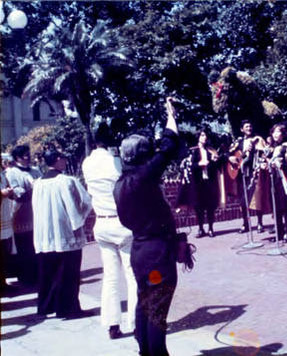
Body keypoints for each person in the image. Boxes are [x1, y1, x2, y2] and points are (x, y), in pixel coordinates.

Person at [114, 97, 182, 356]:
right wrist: (170, 114)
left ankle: (145, 351)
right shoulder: (142, 178)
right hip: (156, 254)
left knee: (146, 303)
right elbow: (169, 144)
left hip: (141, 251)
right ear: (144, 156)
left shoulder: (122, 182)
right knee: (157, 310)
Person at [82, 123, 138, 339]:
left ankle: (112, 324)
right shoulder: (116, 162)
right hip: (121, 223)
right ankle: (134, 322)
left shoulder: (87, 163)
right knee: (132, 276)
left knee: (111, 277)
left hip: (102, 223)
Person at [32, 149, 93, 318]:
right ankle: (68, 309)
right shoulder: (66, 181)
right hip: (66, 233)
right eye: (64, 158)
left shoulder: (38, 183)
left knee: (48, 272)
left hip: (45, 235)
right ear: (57, 160)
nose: (66, 161)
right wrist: (78, 222)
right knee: (68, 273)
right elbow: (83, 202)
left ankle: (46, 307)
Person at [6, 145, 42, 286]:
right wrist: (34, 189)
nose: (28, 157)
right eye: (24, 155)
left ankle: (38, 275)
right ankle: (26, 279)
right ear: (17, 158)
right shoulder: (12, 173)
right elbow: (18, 194)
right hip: (21, 215)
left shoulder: (35, 170)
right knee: (24, 248)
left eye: (28, 154)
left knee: (35, 247)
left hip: (36, 214)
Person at [177, 128, 222, 238]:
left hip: (210, 181)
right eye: (202, 135)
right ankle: (201, 229)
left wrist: (215, 161)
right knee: (199, 207)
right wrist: (200, 164)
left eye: (205, 135)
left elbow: (217, 166)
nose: (204, 137)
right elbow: (189, 167)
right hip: (198, 183)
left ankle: (211, 228)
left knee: (211, 206)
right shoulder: (193, 151)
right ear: (198, 137)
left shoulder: (211, 150)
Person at [227, 121, 266, 233]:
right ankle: (245, 224)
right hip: (242, 175)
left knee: (256, 198)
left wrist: (255, 150)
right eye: (246, 126)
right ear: (241, 129)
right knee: (243, 201)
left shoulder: (257, 140)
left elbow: (263, 153)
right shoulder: (238, 142)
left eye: (250, 126)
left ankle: (260, 223)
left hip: (254, 173)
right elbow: (228, 153)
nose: (249, 128)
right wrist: (230, 158)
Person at [1, 154, 15, 289]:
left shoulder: (2, 174)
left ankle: (3, 282)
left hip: (4, 214)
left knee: (4, 250)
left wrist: (9, 191)